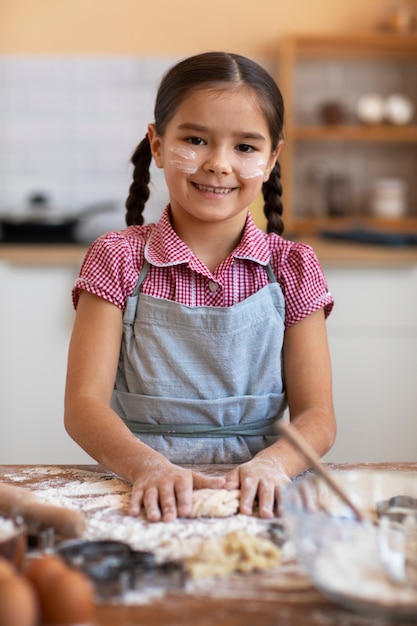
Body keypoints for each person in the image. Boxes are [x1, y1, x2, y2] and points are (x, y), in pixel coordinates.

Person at [64, 51, 336, 523]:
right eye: (195, 139)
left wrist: (274, 465)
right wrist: (146, 466)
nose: (218, 164)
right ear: (157, 144)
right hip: (138, 494)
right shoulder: (117, 258)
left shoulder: (293, 265)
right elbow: (83, 407)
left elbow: (318, 417)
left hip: (260, 499)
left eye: (245, 148)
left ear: (272, 158)